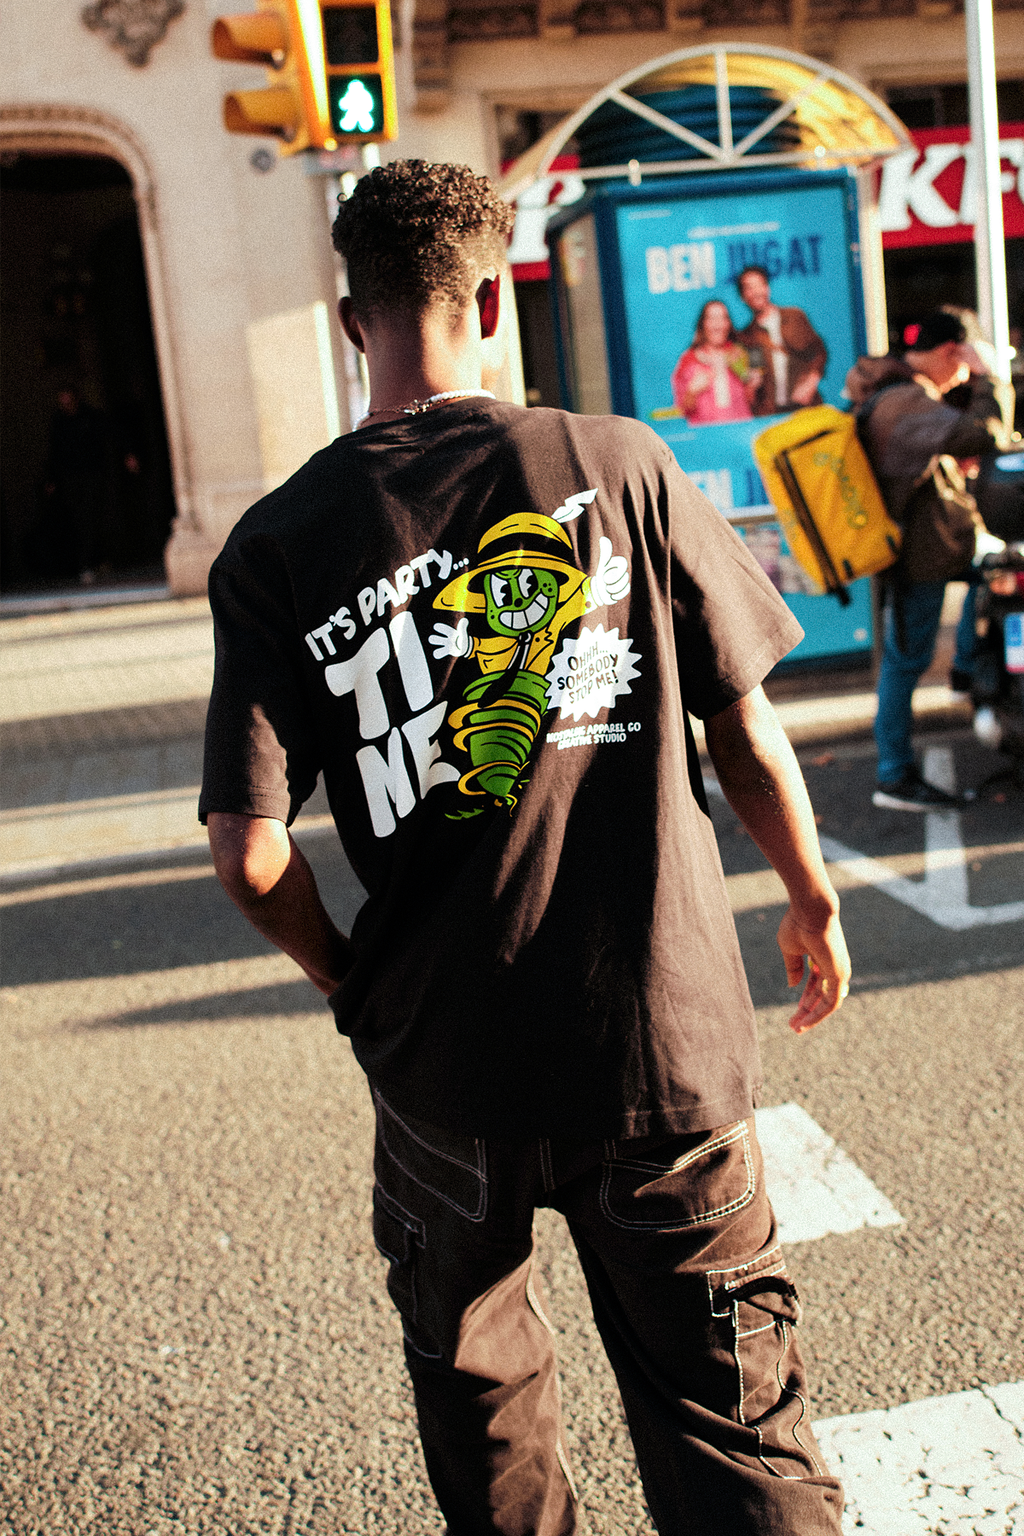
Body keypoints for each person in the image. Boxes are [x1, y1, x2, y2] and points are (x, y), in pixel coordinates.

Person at [200, 158, 851, 1536]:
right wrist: (809, 894)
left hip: (445, 1063)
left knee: (487, 1418)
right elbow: (743, 725)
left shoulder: (277, 542)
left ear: (351, 321)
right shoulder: (621, 463)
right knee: (734, 1428)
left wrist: (350, 982)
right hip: (657, 1043)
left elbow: (249, 853)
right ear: (494, 299)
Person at [845, 311, 1004, 811]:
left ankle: (965, 671)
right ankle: (893, 776)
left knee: (998, 573)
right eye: (963, 364)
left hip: (938, 547)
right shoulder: (905, 400)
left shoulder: (896, 391)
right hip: (920, 557)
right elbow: (986, 433)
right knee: (905, 661)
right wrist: (989, 378)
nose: (963, 376)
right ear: (951, 352)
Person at [735, 266, 827, 416]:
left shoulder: (795, 317)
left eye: (759, 285)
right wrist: (751, 385)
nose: (756, 292)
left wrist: (812, 381)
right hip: (772, 414)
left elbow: (819, 352)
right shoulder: (747, 336)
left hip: (806, 408)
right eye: (749, 288)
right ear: (742, 296)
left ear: (767, 288)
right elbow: (754, 371)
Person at [670, 299, 760, 424]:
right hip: (706, 431)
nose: (718, 325)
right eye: (712, 319)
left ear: (728, 323)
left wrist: (752, 386)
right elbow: (682, 410)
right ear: (703, 324)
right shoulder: (689, 360)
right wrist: (692, 392)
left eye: (723, 318)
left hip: (740, 429)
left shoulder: (739, 354)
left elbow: (752, 402)